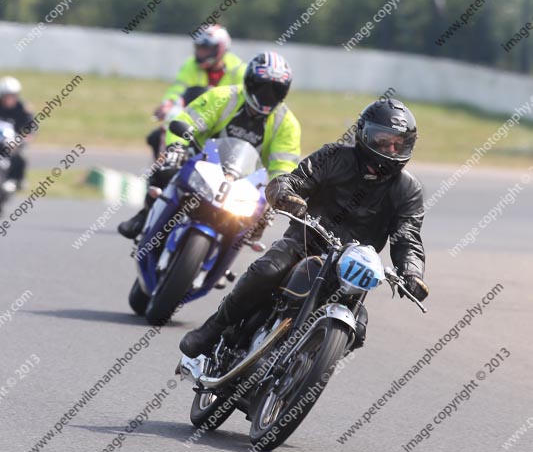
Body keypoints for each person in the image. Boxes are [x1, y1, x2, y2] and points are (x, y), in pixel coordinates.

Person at [179, 97, 429, 358]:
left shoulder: (408, 190)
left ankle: (306, 367)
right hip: (306, 244)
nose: (390, 148)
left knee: (359, 328)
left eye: (398, 143)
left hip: (353, 267)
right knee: (267, 270)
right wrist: (286, 194)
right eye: (383, 139)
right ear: (364, 134)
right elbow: (293, 180)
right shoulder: (333, 157)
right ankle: (214, 329)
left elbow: (408, 236)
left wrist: (412, 272)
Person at [118, 52, 301, 239]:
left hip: (246, 183)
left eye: (275, 90)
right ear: (250, 82)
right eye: (262, 88)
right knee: (166, 170)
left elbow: (284, 166)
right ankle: (145, 215)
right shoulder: (222, 97)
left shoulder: (287, 124)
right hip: (201, 163)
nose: (267, 96)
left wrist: (278, 192)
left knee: (255, 226)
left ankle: (226, 261)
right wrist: (177, 148)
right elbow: (185, 120)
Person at [147, 25, 246, 160]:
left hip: (225, 125)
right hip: (195, 118)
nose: (201, 53)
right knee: (156, 137)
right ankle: (165, 172)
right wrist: (167, 105)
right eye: (199, 48)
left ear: (220, 48)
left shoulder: (239, 70)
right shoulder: (191, 65)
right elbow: (178, 89)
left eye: (206, 48)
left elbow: (246, 99)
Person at [0, 76, 34, 188]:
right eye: (7, 96)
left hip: (14, 140)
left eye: (13, 96)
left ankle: (18, 179)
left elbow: (31, 127)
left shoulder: (22, 108)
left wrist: (24, 138)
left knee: (21, 157)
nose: (10, 99)